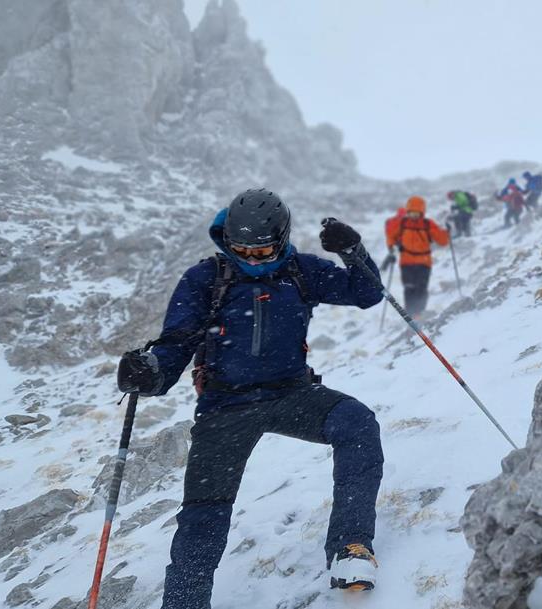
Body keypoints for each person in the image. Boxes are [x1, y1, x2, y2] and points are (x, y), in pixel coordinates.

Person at [116, 189, 386, 608]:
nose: (252, 259)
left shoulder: (301, 271)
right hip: (225, 406)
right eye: (240, 249)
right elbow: (175, 348)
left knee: (357, 424)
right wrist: (149, 372)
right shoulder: (205, 279)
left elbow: (366, 293)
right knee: (203, 515)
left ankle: (351, 547)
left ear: (281, 239)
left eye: (261, 251)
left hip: (292, 393)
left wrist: (353, 252)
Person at [383, 195, 450, 318]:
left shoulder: (428, 224)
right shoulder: (402, 223)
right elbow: (391, 236)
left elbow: (442, 241)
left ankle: (419, 313)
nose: (414, 215)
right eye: (411, 213)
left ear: (422, 212)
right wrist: (391, 247)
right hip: (406, 262)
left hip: (424, 262)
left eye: (417, 213)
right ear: (408, 212)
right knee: (409, 288)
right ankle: (410, 314)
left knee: (421, 288)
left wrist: (446, 232)